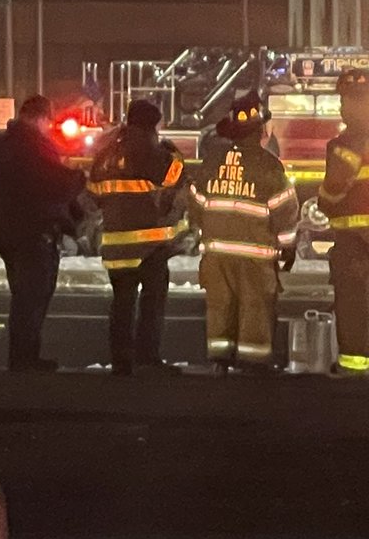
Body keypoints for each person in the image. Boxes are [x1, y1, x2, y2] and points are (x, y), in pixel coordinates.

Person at [189, 90, 298, 374]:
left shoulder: (212, 161)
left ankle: (220, 361)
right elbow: (284, 212)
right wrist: (287, 247)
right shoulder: (269, 166)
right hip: (254, 256)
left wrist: (207, 232)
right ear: (261, 129)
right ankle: (252, 364)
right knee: (255, 307)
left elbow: (196, 203)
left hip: (215, 254)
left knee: (220, 306)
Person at [0, 95, 86, 372]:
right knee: (33, 294)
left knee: (22, 292)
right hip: (31, 228)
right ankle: (24, 357)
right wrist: (78, 180)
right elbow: (52, 184)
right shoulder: (34, 146)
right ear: (41, 118)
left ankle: (23, 354)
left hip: (2, 226)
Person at [87, 99, 187, 377]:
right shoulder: (149, 149)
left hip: (116, 243)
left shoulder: (107, 152)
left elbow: (93, 191)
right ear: (153, 124)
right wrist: (174, 154)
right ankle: (147, 358)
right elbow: (173, 178)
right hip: (148, 243)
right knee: (152, 302)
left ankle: (121, 361)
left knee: (122, 303)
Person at [317, 68, 369, 376]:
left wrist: (323, 200)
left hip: (353, 242)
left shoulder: (343, 145)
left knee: (353, 304)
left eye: (345, 100)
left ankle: (354, 366)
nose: (341, 107)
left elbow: (332, 193)